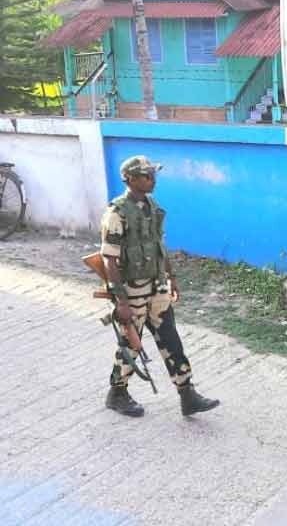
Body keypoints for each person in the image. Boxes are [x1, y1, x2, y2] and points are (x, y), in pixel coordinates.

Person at [101, 155, 220, 418]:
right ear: (130, 179)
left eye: (153, 174)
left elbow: (158, 246)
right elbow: (108, 259)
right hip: (132, 288)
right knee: (132, 343)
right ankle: (117, 393)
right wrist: (120, 301)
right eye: (146, 175)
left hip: (157, 285)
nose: (152, 179)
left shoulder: (152, 206)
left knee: (170, 338)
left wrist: (170, 276)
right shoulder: (117, 212)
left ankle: (187, 394)